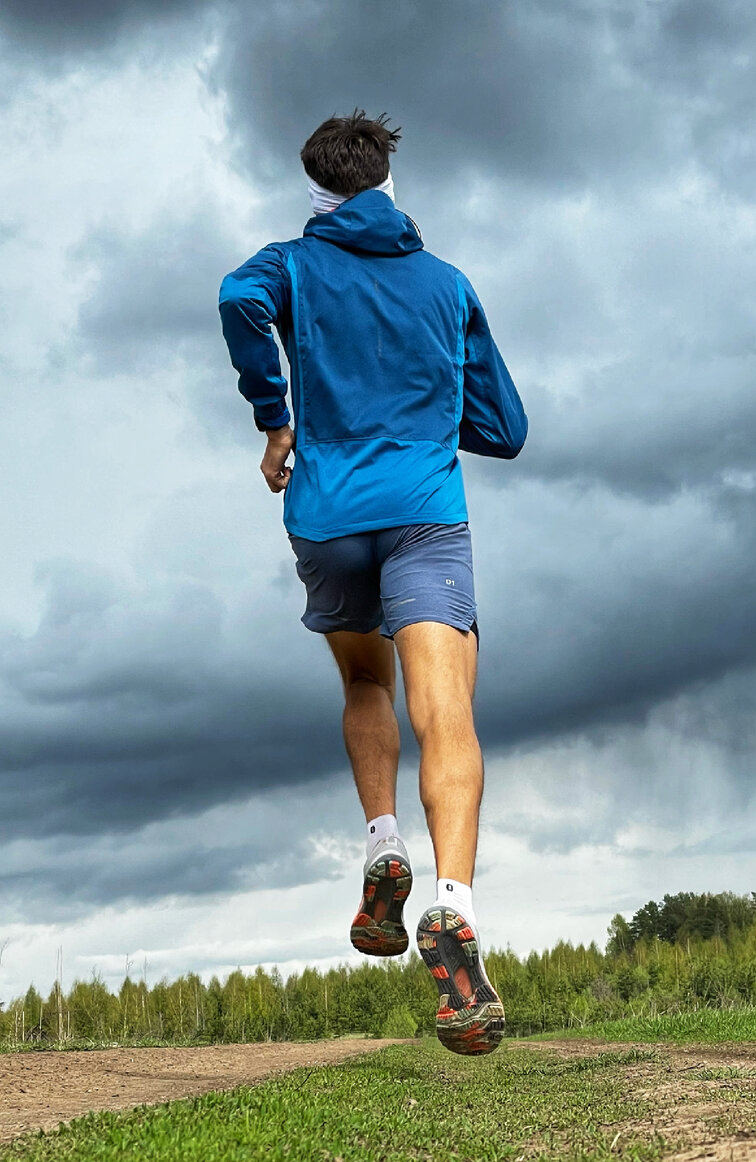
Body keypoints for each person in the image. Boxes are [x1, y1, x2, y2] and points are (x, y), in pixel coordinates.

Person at [218, 110, 526, 1056]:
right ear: (389, 178)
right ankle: (455, 905)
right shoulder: (447, 283)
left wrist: (277, 415)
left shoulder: (290, 266)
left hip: (327, 513)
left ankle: (383, 842)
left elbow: (237, 297)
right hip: (426, 510)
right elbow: (506, 428)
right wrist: (426, 419)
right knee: (450, 716)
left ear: (317, 187)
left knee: (364, 682)